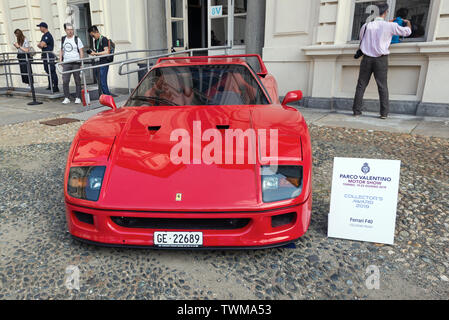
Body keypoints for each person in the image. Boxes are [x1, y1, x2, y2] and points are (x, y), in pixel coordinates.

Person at [352, 3, 411, 119]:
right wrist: (407, 22)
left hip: (366, 58)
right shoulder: (390, 26)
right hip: (381, 59)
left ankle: (356, 111)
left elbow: (361, 39)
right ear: (385, 12)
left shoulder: (366, 26)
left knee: (361, 85)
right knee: (382, 86)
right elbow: (407, 32)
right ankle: (384, 113)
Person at [59, 23, 84, 105]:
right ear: (65, 30)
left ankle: (78, 97)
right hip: (66, 62)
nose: (70, 31)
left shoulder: (77, 39)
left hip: (76, 62)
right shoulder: (63, 39)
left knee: (77, 80)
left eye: (71, 29)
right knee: (65, 81)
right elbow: (61, 50)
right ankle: (66, 97)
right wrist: (60, 60)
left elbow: (81, 51)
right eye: (68, 30)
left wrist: (81, 62)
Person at [87, 25, 112, 96]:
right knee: (100, 81)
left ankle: (107, 96)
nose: (93, 37)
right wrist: (93, 53)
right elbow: (98, 51)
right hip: (98, 62)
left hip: (104, 62)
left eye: (93, 35)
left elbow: (106, 52)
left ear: (95, 32)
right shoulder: (96, 41)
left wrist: (96, 53)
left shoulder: (103, 39)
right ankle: (104, 95)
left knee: (103, 81)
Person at [37, 22, 59, 93]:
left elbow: (41, 45)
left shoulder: (47, 35)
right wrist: (41, 45)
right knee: (47, 70)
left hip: (49, 56)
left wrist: (41, 45)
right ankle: (50, 85)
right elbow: (40, 45)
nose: (40, 29)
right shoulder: (44, 36)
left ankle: (55, 86)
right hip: (45, 55)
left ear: (44, 27)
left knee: (52, 71)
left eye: (40, 27)